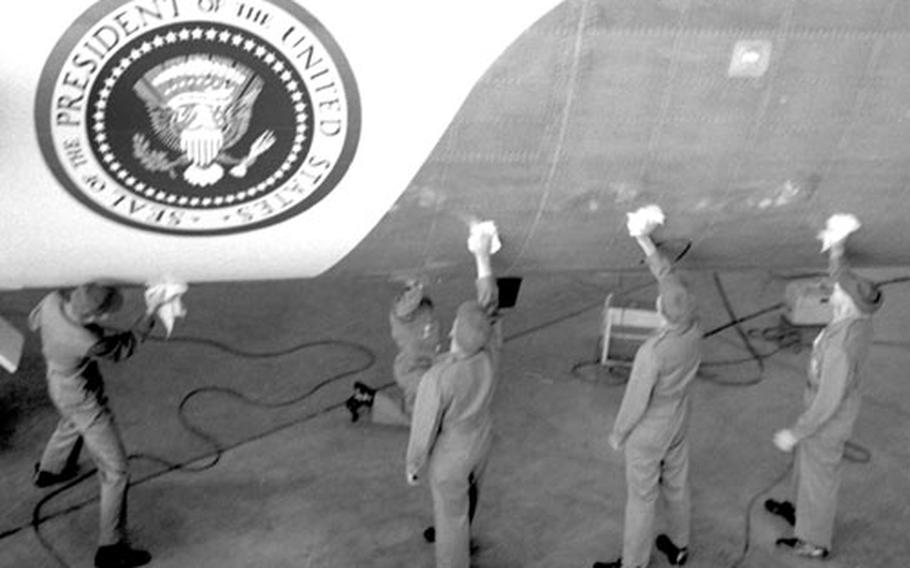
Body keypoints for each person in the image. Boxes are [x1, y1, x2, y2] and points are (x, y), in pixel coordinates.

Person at [766, 215, 882, 560]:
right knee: (808, 470)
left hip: (827, 420)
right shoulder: (857, 317)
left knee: (820, 479)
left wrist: (796, 432)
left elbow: (828, 402)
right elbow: (843, 280)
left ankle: (813, 540)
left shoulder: (840, 349)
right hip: (824, 405)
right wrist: (837, 248)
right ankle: (799, 511)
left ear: (845, 303)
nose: (830, 292)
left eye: (834, 294)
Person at [594, 206, 701, 568]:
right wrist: (646, 243)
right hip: (679, 420)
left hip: (650, 429)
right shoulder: (693, 327)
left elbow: (636, 399)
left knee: (641, 498)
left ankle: (634, 563)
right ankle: (679, 545)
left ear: (660, 311)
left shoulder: (652, 353)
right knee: (677, 483)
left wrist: (619, 433)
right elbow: (670, 280)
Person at [30, 283, 155, 568]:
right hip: (81, 395)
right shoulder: (86, 340)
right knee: (116, 471)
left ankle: (49, 471)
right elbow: (123, 349)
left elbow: (34, 320)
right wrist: (151, 314)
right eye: (104, 314)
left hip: (58, 381)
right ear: (92, 316)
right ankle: (110, 548)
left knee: (71, 420)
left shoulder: (51, 301)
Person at [405, 224, 501, 568]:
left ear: (456, 333)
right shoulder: (489, 349)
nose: (448, 329)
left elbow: (424, 426)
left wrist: (414, 465)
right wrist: (483, 258)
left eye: (454, 326)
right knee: (469, 499)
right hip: (481, 442)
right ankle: (462, 539)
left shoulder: (440, 378)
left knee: (450, 518)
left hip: (451, 455)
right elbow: (489, 308)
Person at [344, 278, 441, 426]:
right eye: (410, 292)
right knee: (420, 418)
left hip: (427, 366)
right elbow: (406, 306)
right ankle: (369, 398)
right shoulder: (402, 313)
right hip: (411, 369)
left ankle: (368, 397)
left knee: (425, 411)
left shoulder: (423, 311)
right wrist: (416, 288)